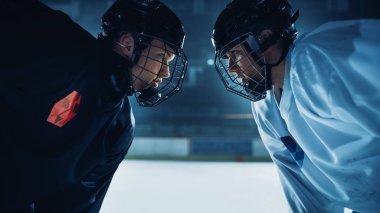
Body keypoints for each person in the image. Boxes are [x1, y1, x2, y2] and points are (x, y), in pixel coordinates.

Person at [0, 0, 187, 212]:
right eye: (162, 57)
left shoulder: (120, 129)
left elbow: (75, 206)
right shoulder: (55, 41)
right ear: (128, 44)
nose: (165, 73)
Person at [211, 0, 380, 212]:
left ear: (265, 39)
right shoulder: (265, 108)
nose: (232, 68)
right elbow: (302, 186)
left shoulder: (320, 57)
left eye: (235, 54)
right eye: (227, 58)